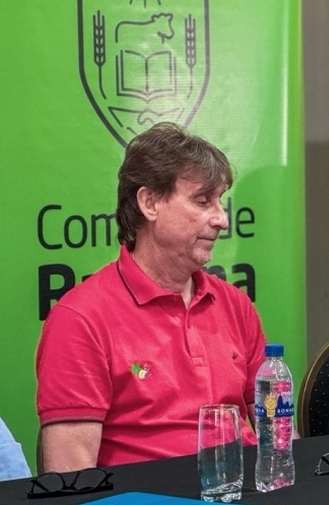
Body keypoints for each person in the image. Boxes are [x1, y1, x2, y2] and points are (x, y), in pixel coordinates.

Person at [36, 123, 267, 471]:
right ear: (149, 203)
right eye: (203, 201)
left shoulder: (235, 305)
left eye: (220, 202)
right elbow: (71, 478)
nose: (221, 219)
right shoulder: (80, 319)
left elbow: (276, 431)